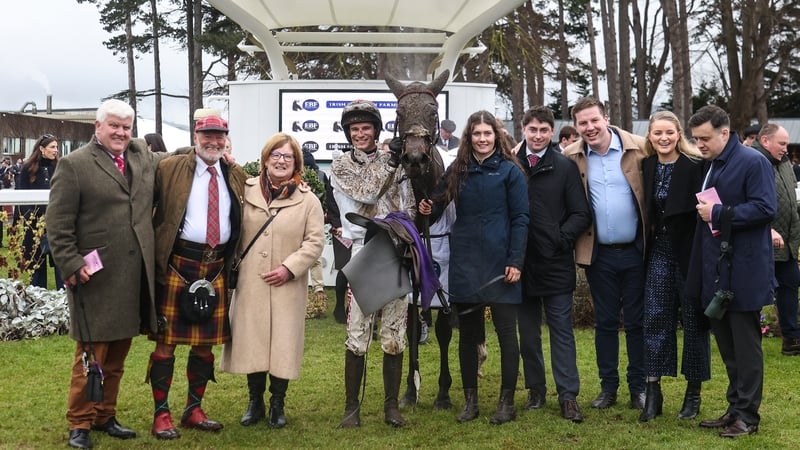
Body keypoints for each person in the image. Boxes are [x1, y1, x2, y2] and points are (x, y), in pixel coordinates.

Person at [47, 99, 161, 449]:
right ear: (97, 127)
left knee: (117, 354)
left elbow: (178, 160)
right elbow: (58, 224)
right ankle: (79, 422)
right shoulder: (74, 165)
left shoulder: (140, 155)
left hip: (132, 275)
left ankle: (104, 415)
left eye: (126, 127)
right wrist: (71, 263)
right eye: (114, 125)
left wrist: (217, 151)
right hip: (93, 277)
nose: (120, 133)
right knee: (90, 356)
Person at [419, 110, 529, 425]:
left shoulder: (511, 171)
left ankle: (506, 403)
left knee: (507, 334)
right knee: (467, 336)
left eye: (487, 134)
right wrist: (429, 205)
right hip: (465, 262)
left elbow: (521, 218)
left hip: (501, 263)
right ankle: (470, 402)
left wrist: (516, 260)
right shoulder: (457, 170)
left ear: (497, 136)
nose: (482, 139)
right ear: (469, 138)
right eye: (477, 134)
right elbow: (437, 205)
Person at [148, 113, 247, 440]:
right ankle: (161, 414)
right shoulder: (169, 168)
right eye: (207, 135)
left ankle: (194, 408)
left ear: (226, 139)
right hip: (178, 264)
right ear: (195, 135)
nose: (213, 142)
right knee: (166, 344)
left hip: (215, 266)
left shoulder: (234, 174)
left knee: (205, 346)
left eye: (220, 136)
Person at [220, 133, 324, 428]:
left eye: (287, 157)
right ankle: (255, 402)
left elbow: (315, 242)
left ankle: (278, 402)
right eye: (275, 155)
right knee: (252, 342)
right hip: (251, 282)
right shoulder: (246, 190)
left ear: (296, 164)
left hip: (287, 286)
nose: (281, 161)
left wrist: (290, 268)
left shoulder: (308, 200)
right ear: (265, 159)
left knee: (282, 344)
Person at [688, 105, 776, 438]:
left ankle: (748, 417)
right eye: (696, 139)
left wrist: (719, 212)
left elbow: (766, 208)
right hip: (717, 270)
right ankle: (735, 407)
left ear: (725, 132)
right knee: (727, 347)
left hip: (744, 270)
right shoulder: (711, 163)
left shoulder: (754, 162)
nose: (700, 145)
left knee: (746, 347)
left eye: (705, 138)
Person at [330, 99, 415, 428]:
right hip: (362, 253)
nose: (360, 134)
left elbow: (405, 206)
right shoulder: (340, 165)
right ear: (348, 133)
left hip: (393, 251)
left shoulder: (395, 162)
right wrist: (391, 162)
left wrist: (397, 163)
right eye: (355, 129)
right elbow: (367, 193)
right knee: (357, 333)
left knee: (395, 333)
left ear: (376, 130)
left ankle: (391, 407)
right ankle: (352, 408)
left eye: (366, 128)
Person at [562, 96, 648, 411]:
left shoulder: (639, 148)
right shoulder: (571, 156)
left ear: (606, 117)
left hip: (636, 252)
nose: (589, 128)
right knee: (606, 323)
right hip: (598, 255)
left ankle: (638, 388)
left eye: (594, 120)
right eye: (582, 123)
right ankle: (608, 388)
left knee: (638, 323)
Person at [514, 106, 591, 423]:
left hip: (555, 262)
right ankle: (535, 389)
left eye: (544, 130)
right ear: (524, 129)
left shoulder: (564, 167)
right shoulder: (510, 165)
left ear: (551, 132)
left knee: (561, 332)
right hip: (518, 264)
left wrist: (560, 239)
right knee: (528, 333)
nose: (537, 135)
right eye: (532, 129)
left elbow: (581, 213)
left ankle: (568, 395)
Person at [639, 111, 710, 422]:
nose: (663, 138)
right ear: (650, 137)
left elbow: (710, 210)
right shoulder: (647, 166)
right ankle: (653, 392)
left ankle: (693, 393)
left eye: (669, 132)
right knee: (654, 318)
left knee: (694, 323)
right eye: (657, 133)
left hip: (691, 253)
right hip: (659, 251)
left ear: (679, 134)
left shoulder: (696, 166)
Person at [751, 124, 800, 356]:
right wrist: (767, 229)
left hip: (787, 244)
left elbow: (790, 198)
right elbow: (751, 201)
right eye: (781, 143)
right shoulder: (754, 163)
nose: (786, 148)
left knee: (789, 288)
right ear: (765, 140)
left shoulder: (785, 164)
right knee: (756, 292)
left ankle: (791, 339)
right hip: (762, 242)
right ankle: (747, 339)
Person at [16, 134, 64, 289]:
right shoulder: (27, 169)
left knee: (62, 267)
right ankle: (38, 305)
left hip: (57, 225)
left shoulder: (61, 167)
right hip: (35, 227)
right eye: (52, 147)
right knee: (37, 270)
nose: (56, 150)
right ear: (42, 149)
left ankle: (64, 305)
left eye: (57, 147)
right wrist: (33, 220)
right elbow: (21, 197)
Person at [302, 148, 328, 304]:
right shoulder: (294, 176)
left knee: (314, 255)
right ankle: (316, 288)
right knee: (312, 256)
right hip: (298, 219)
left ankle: (318, 288)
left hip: (315, 219)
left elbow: (325, 196)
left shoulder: (320, 176)